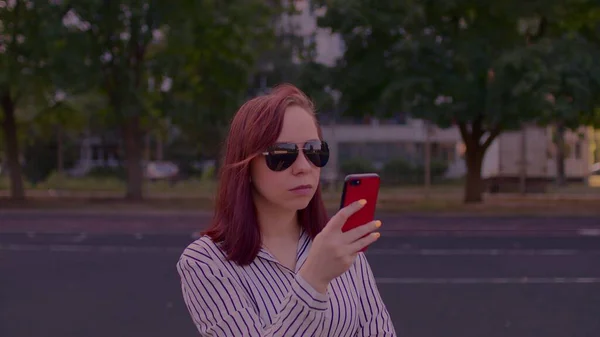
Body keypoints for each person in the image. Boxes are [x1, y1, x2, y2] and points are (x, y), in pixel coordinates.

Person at [176, 84, 397, 336]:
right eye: (282, 154)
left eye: (314, 151)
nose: (303, 167)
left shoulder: (338, 244)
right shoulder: (205, 261)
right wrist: (313, 281)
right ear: (246, 167)